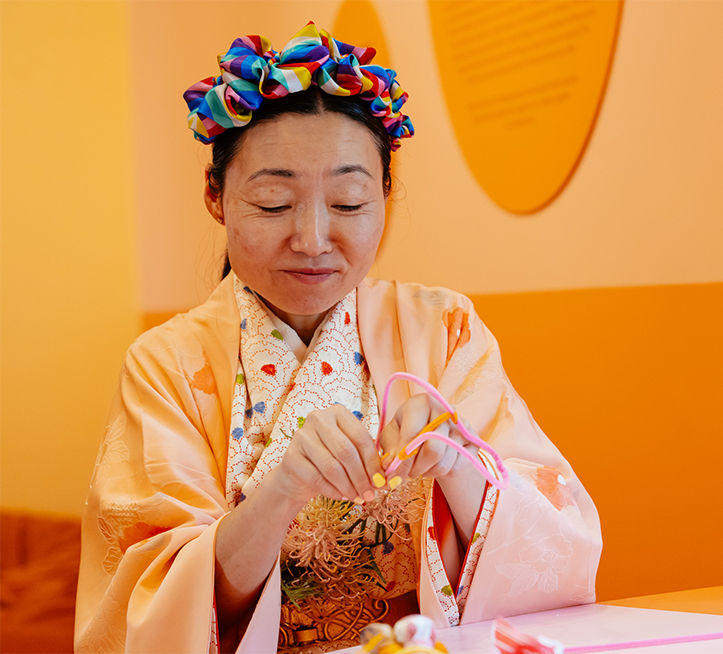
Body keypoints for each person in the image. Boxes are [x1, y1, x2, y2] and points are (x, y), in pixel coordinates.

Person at [74, 22, 602, 654]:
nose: (313, 239)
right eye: (273, 203)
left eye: (349, 203)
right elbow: (153, 605)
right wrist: (282, 491)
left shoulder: (444, 330)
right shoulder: (167, 366)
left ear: (384, 192)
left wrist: (457, 461)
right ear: (216, 196)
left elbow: (557, 545)